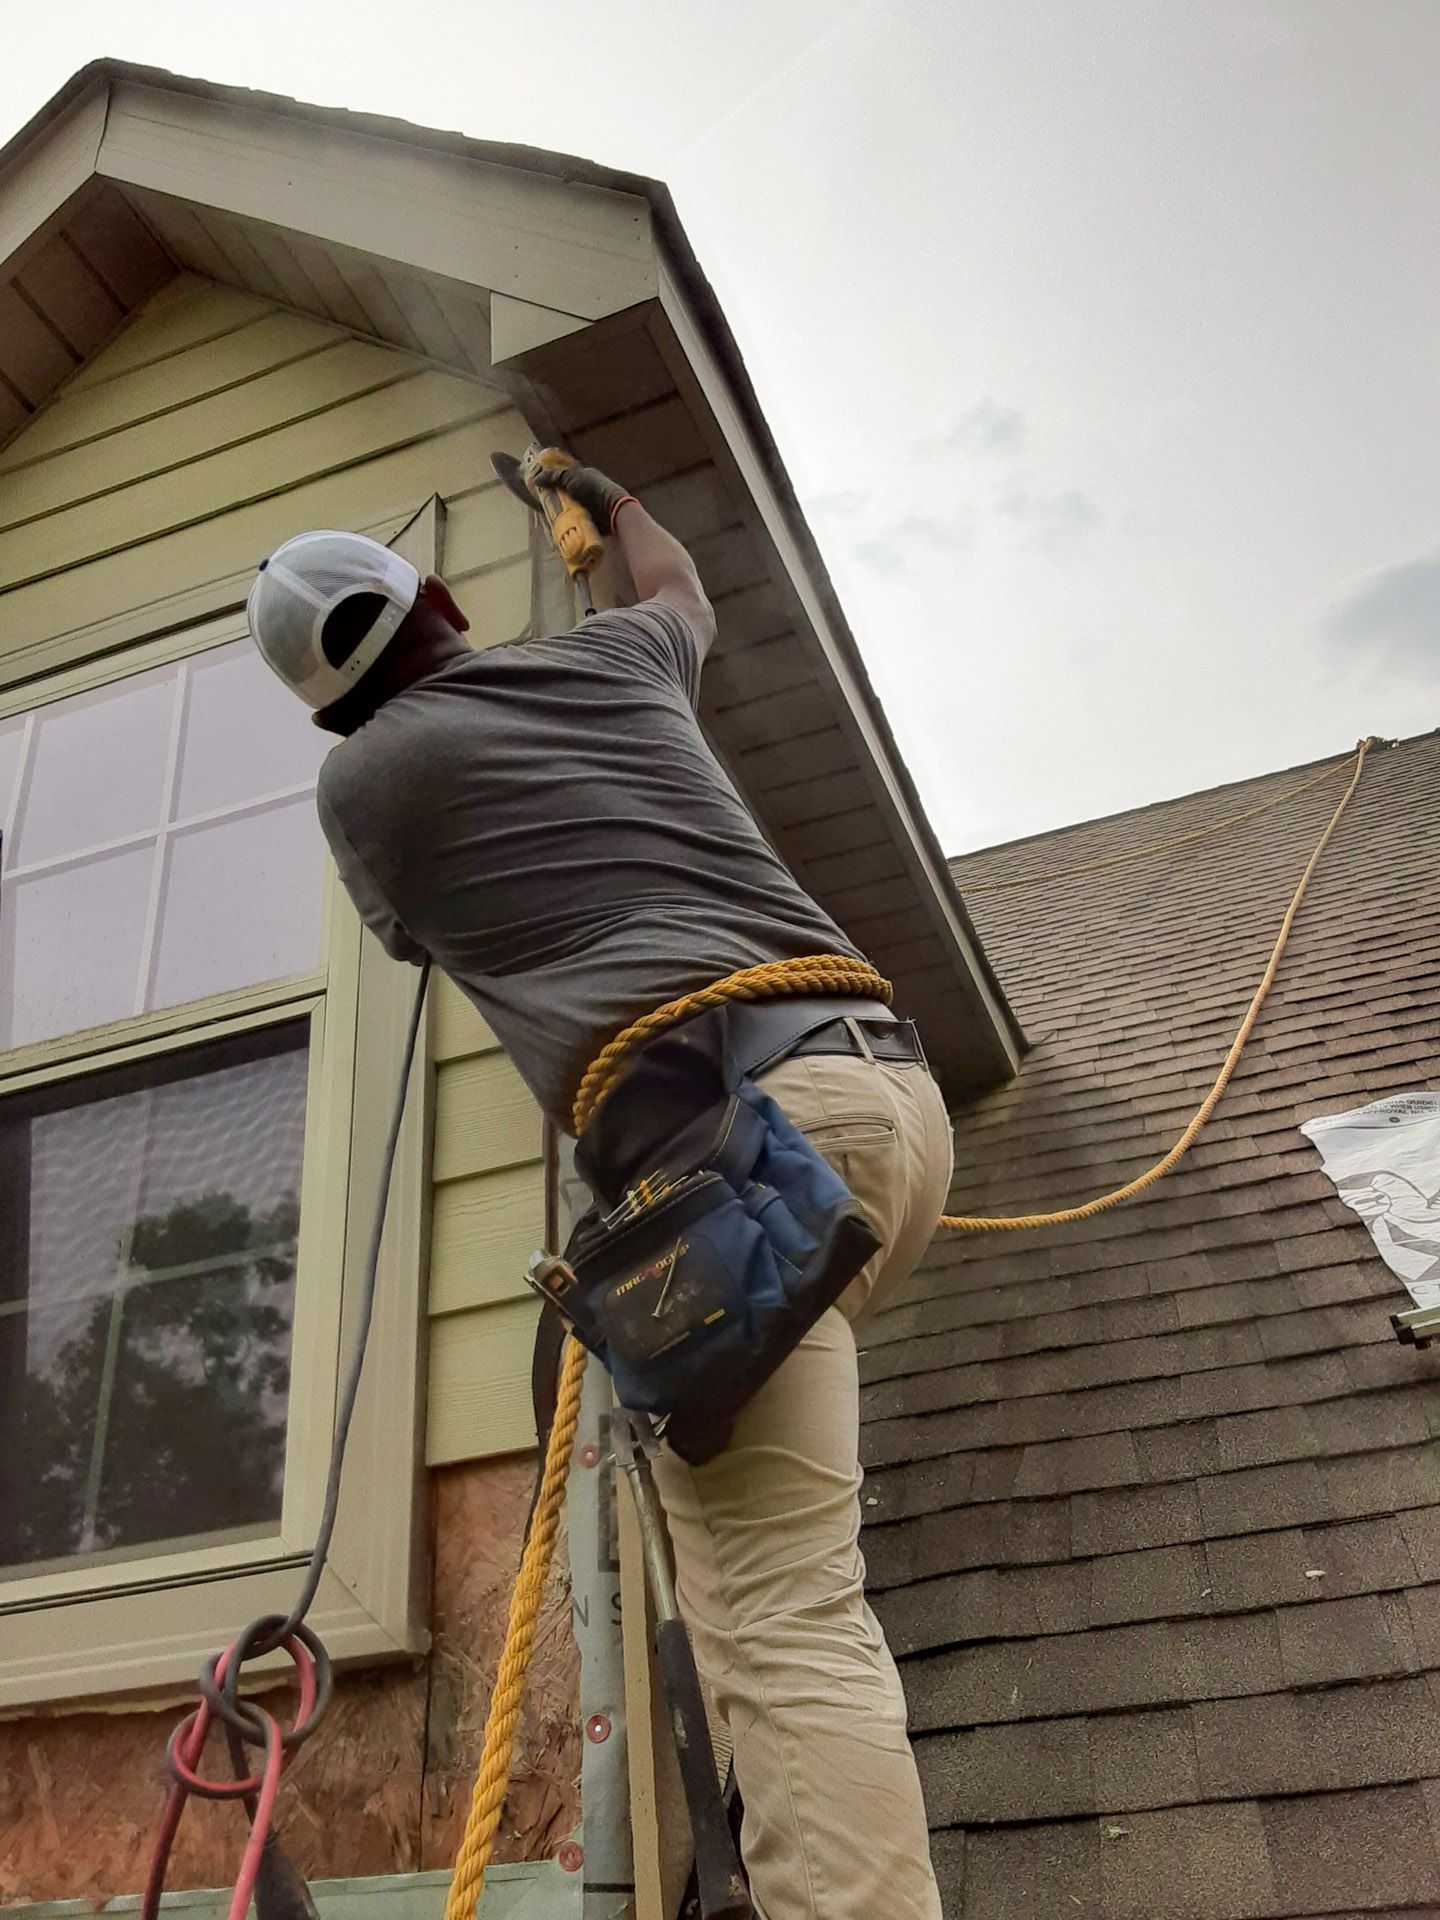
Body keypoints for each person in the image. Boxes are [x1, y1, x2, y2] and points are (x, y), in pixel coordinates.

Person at [247, 458, 954, 1920]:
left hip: (735, 1162)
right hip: (882, 1098)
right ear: (437, 599)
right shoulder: (625, 654)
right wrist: (603, 499)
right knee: (776, 1599)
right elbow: (680, 587)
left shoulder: (366, 782)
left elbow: (430, 926)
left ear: (325, 706)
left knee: (776, 1615)